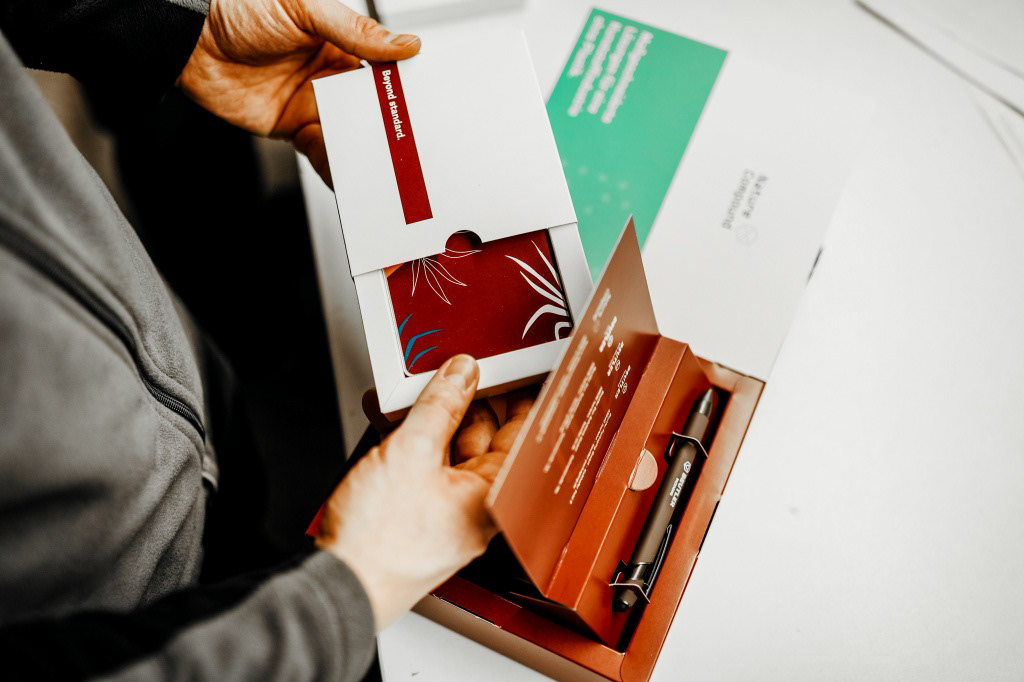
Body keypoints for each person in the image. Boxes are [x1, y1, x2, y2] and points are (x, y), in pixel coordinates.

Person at [0, 0, 527, 678]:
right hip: (120, 612)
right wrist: (351, 588)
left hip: (185, 416)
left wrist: (178, 25)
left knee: (243, 504)